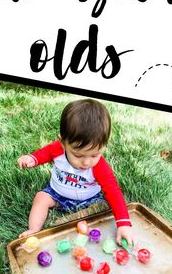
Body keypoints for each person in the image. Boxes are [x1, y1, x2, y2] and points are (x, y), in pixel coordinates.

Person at [18, 98, 135, 246]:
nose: (86, 162)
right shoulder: (57, 149)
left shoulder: (99, 166)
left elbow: (113, 191)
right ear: (63, 142)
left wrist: (124, 223)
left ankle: (88, 226)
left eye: (95, 154)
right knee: (41, 198)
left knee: (102, 215)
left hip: (90, 200)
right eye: (78, 155)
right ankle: (34, 231)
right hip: (57, 195)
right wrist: (33, 158)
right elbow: (46, 153)